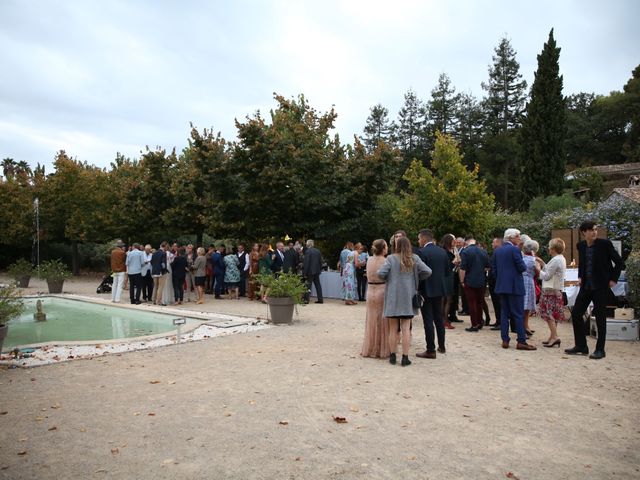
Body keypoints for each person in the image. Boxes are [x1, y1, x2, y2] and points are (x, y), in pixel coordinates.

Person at [565, 221, 625, 360]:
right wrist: (580, 276)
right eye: (591, 230)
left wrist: (613, 279)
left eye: (596, 230)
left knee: (600, 317)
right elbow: (583, 263)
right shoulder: (581, 246)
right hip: (586, 286)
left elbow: (619, 262)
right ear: (584, 232)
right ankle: (581, 345)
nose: (594, 232)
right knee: (576, 314)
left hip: (601, 286)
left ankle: (600, 349)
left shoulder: (605, 245)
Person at [378, 236, 432, 367]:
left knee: (393, 329)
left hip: (393, 298)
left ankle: (392, 356)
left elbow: (380, 274)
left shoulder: (390, 258)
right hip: (408, 298)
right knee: (406, 328)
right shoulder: (414, 258)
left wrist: (388, 279)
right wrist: (417, 279)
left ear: (396, 246)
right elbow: (428, 271)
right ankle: (405, 357)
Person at [492, 228, 536, 350]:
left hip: (502, 286)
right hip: (515, 286)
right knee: (518, 314)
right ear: (511, 237)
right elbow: (522, 267)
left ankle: (505, 340)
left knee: (504, 314)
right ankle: (521, 340)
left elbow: (494, 270)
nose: (519, 238)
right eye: (518, 236)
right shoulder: (515, 250)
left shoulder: (497, 251)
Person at [416, 229, 450, 359]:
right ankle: (441, 345)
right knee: (439, 319)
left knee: (428, 320)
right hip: (440, 289)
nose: (418, 241)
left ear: (424, 239)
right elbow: (447, 271)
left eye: (419, 239)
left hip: (426, 289)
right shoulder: (443, 252)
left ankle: (430, 349)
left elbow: (419, 272)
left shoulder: (422, 252)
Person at [361, 239, 390, 358]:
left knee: (371, 319)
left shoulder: (369, 260)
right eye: (386, 246)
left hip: (370, 291)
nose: (387, 248)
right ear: (383, 248)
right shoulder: (386, 261)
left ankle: (370, 347)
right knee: (381, 320)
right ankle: (380, 348)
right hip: (381, 290)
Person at [537, 238, 567, 347]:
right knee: (554, 314)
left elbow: (547, 276)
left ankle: (555, 337)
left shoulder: (556, 260)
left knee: (548, 314)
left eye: (550, 247)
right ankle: (552, 336)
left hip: (551, 290)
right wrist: (543, 263)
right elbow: (550, 270)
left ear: (553, 249)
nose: (548, 248)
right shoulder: (560, 258)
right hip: (557, 289)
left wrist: (538, 269)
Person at [459, 235, 490, 332]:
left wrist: (462, 281)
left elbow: (463, 268)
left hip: (470, 280)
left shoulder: (465, 252)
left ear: (466, 242)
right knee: (480, 302)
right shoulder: (483, 251)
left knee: (472, 303)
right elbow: (488, 267)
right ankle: (480, 321)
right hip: (481, 280)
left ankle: (474, 324)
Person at [522, 239, 541, 337]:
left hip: (521, 282)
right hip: (529, 282)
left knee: (523, 306)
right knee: (527, 306)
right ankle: (524, 327)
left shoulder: (522, 258)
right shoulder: (534, 260)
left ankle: (525, 326)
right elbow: (538, 273)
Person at [440, 234, 459, 326]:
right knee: (447, 299)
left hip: (448, 277)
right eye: (453, 241)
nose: (454, 242)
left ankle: (444, 318)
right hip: (446, 277)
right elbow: (446, 267)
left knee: (446, 299)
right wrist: (454, 263)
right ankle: (444, 319)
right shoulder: (446, 253)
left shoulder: (447, 251)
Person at [488, 238, 503, 331]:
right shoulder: (495, 252)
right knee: (495, 301)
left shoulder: (498, 253)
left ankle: (500, 322)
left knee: (498, 302)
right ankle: (498, 320)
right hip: (493, 280)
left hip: (496, 281)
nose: (492, 244)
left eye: (493, 242)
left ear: (498, 243)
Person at [303, 239, 324, 304]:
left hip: (309, 271)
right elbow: (321, 262)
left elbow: (306, 263)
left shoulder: (308, 251)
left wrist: (304, 272)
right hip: (317, 271)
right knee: (318, 285)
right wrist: (319, 269)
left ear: (308, 244)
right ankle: (320, 299)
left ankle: (306, 300)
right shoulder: (317, 251)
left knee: (308, 286)